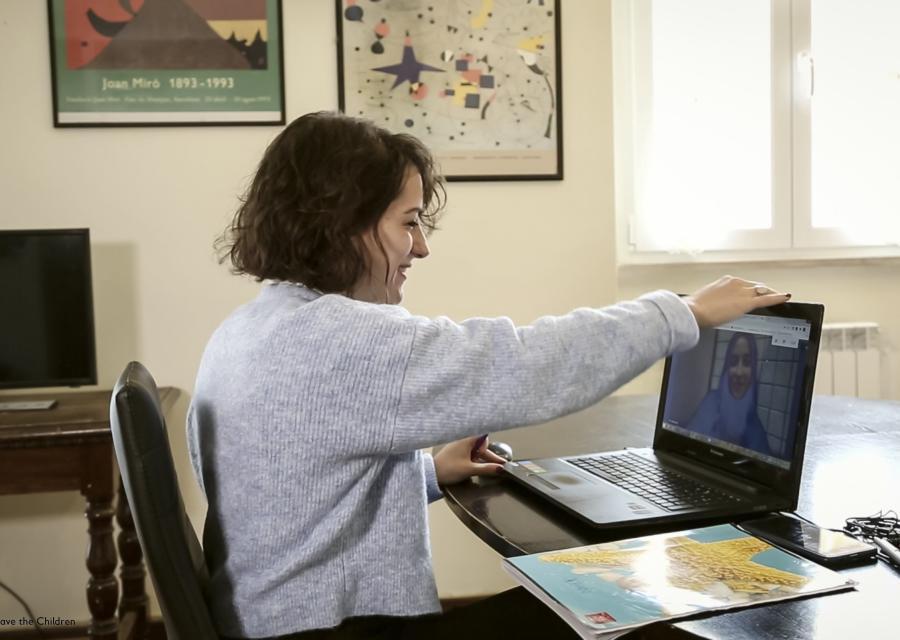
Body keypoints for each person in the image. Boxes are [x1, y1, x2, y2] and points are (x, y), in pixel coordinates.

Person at [187, 111, 790, 640]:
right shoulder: (338, 340)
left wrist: (429, 471)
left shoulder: (250, 329)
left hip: (273, 621)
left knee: (587, 596)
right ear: (342, 225)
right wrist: (682, 312)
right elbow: (526, 362)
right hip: (336, 631)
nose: (420, 247)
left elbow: (290, 488)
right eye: (408, 222)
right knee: (630, 607)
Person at [687, 332, 771, 455]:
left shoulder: (755, 426)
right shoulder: (710, 402)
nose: (739, 372)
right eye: (733, 361)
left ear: (753, 369)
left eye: (747, 362)